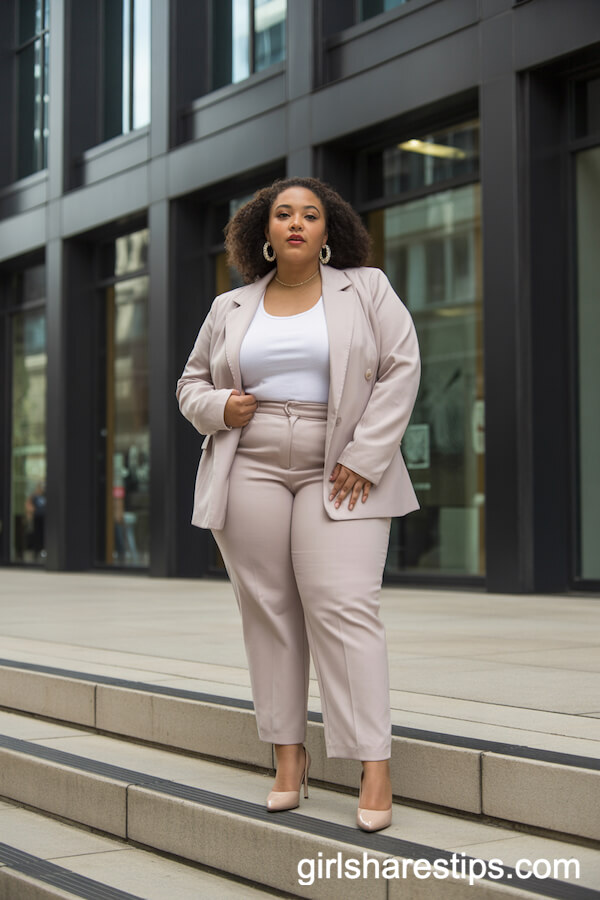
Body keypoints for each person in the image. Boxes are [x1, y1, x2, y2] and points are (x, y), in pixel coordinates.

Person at [176, 177, 420, 832]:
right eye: (283, 213)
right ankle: (288, 756)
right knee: (269, 611)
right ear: (263, 230)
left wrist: (366, 455)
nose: (296, 223)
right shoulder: (230, 305)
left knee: (343, 602)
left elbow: (401, 367)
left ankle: (373, 763)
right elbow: (190, 383)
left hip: (339, 461)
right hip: (248, 461)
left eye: (309, 214)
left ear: (327, 231)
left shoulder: (366, 289)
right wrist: (219, 406)